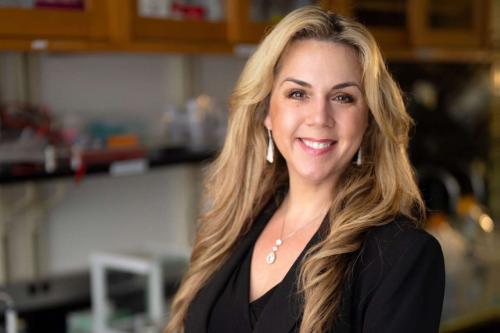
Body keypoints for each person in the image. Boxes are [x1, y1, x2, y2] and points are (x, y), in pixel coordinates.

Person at [164, 6, 445, 333]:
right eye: (298, 93)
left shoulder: (402, 258)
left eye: (342, 97)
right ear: (267, 111)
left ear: (368, 121)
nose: (319, 117)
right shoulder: (232, 225)